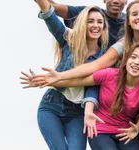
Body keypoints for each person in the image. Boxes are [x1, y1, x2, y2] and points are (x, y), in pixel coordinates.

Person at [29, 42, 139, 150]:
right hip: (99, 131)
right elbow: (79, 80)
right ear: (126, 60)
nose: (136, 62)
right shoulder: (110, 75)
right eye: (133, 57)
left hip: (124, 133)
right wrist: (50, 80)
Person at [20, 0, 109, 149]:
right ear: (83, 24)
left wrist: (88, 110)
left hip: (77, 113)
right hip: (51, 106)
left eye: (100, 22)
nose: (95, 25)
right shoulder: (69, 40)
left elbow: (94, 86)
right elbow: (50, 17)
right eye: (90, 21)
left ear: (104, 27)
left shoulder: (104, 57)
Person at [45, 0, 127, 46]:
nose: (116, 1)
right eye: (91, 21)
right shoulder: (90, 13)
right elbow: (51, 7)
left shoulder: (132, 22)